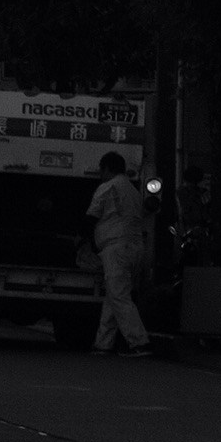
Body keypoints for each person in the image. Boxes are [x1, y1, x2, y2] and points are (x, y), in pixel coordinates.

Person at [83, 151, 153, 358]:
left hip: (116, 247)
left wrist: (82, 238)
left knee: (119, 296)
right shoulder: (132, 190)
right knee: (114, 296)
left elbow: (91, 216)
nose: (100, 174)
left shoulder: (107, 187)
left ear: (107, 168)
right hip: (135, 246)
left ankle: (140, 342)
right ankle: (103, 343)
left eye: (101, 169)